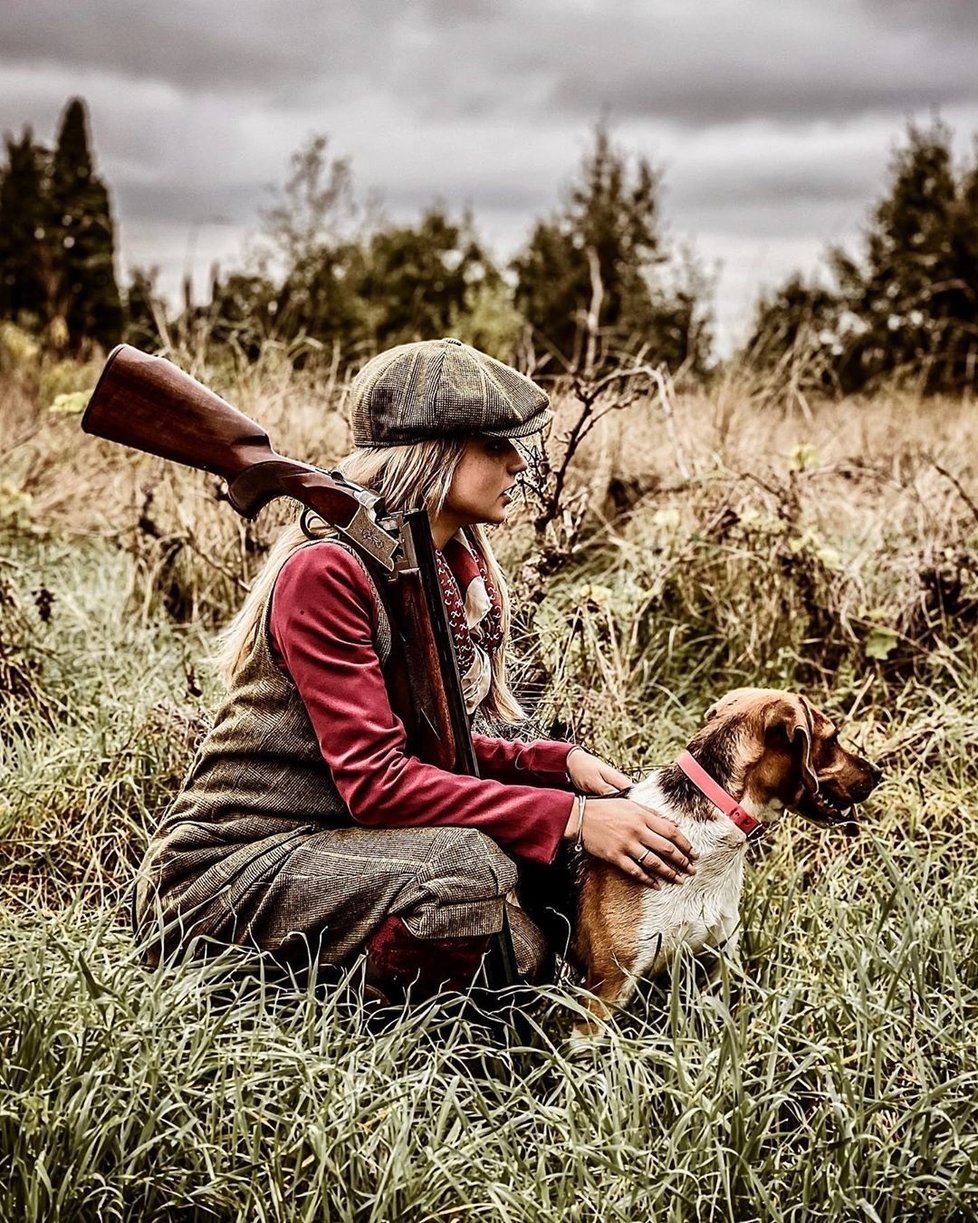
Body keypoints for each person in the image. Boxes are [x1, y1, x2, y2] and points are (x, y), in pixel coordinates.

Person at [133, 337, 696, 1001]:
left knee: (526, 947)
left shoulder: (432, 567)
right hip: (224, 873)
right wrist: (570, 816)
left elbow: (425, 746)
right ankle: (373, 1039)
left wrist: (554, 763)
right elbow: (378, 783)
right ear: (432, 453)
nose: (518, 462)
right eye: (493, 444)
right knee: (466, 871)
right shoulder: (329, 571)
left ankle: (361, 995)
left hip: (334, 848)